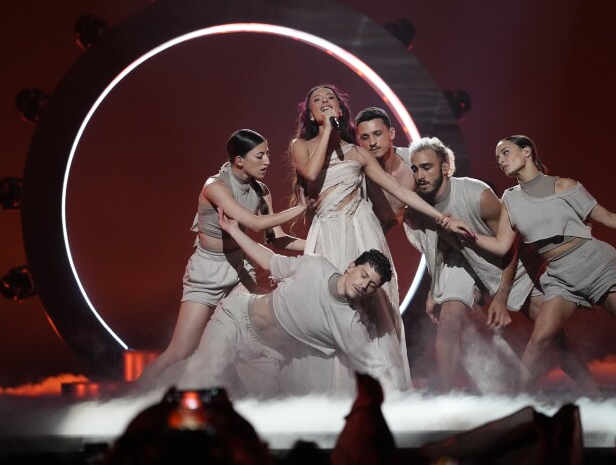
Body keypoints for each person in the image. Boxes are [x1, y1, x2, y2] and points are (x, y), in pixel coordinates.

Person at [449, 134, 616, 393]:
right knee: (539, 340)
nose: (501, 161)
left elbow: (608, 217)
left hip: (596, 263)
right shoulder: (509, 199)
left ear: (527, 151)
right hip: (560, 275)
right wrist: (466, 232)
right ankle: (519, 407)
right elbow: (502, 246)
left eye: (505, 152)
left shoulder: (564, 185)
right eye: (498, 158)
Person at [287, 84, 473, 394]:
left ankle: (381, 388)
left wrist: (442, 218)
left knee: (372, 307)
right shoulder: (301, 146)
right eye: (317, 101)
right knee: (328, 305)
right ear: (310, 112)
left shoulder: (358, 152)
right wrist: (327, 135)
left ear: (341, 108)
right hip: (327, 232)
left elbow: (399, 189)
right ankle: (334, 390)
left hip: (362, 228)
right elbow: (310, 173)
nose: (325, 103)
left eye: (330, 98)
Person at [404, 137, 597, 393]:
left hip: (506, 264)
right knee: (449, 320)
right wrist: (433, 290)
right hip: (463, 261)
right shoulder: (419, 207)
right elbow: (438, 247)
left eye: (426, 167)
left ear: (445, 168)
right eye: (415, 169)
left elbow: (511, 242)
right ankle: (446, 396)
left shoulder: (478, 195)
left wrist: (501, 296)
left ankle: (590, 390)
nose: (420, 175)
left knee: (553, 336)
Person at [138, 129, 308, 386]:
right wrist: (300, 208)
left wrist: (321, 243)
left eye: (268, 155)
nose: (267, 162)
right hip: (207, 269)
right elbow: (252, 222)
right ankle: (136, 402)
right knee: (179, 351)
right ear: (239, 160)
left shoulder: (261, 191)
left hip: (240, 269)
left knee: (251, 341)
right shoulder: (214, 187)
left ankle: (244, 402)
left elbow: (276, 237)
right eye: (260, 156)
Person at [178, 208, 408, 397]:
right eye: (364, 275)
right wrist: (233, 231)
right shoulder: (316, 266)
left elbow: (377, 369)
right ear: (350, 267)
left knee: (266, 416)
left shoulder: (349, 325)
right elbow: (269, 261)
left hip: (267, 355)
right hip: (237, 319)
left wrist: (399, 407)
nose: (364, 285)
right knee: (199, 379)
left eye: (372, 285)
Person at [354, 107, 416, 233]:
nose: (372, 142)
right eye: (365, 137)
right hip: (374, 243)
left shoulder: (414, 163)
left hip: (416, 242)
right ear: (359, 141)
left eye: (377, 134)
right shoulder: (357, 177)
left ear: (391, 133)